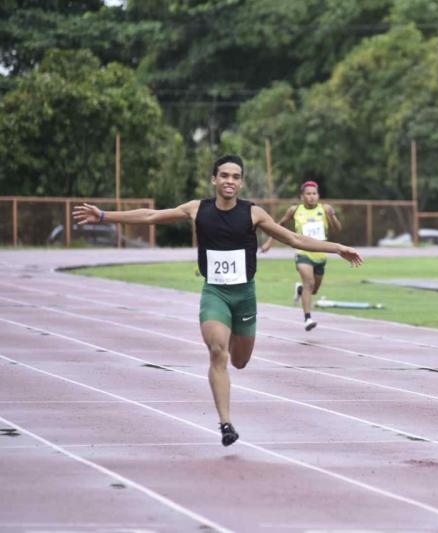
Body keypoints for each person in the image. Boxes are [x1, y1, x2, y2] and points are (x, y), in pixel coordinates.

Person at [73, 155, 363, 446]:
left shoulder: (254, 214)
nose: (229, 181)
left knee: (240, 361)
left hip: (245, 296)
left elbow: (295, 239)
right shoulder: (197, 209)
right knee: (217, 351)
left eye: (235, 177)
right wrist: (103, 216)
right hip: (215, 293)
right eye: (224, 175)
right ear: (214, 179)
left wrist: (337, 247)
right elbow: (151, 215)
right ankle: (226, 423)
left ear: (241, 182)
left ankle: (231, 387)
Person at [259, 180, 342, 331]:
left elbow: (338, 228)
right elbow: (278, 226)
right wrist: (270, 243)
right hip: (303, 253)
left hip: (320, 255)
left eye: (314, 194)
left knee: (313, 289)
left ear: (318, 195)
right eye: (308, 194)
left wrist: (333, 217)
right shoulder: (294, 210)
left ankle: (299, 290)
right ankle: (308, 318)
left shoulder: (325, 209)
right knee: (309, 283)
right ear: (302, 196)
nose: (311, 197)